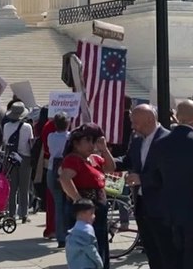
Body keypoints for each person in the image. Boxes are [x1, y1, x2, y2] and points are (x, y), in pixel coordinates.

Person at [147, 101, 193, 269]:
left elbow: (154, 178)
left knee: (173, 261)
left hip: (168, 212)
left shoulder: (160, 143)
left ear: (177, 118)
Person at [117, 105, 168, 269]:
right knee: (151, 252)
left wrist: (142, 179)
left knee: (166, 253)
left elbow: (171, 174)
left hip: (163, 208)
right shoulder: (137, 140)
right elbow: (127, 161)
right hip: (142, 205)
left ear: (149, 120)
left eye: (135, 123)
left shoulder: (168, 140)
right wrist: (105, 156)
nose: (132, 126)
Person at [59, 124, 116, 269]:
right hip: (84, 211)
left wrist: (104, 149)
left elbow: (111, 167)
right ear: (76, 143)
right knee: (88, 250)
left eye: (93, 140)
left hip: (98, 209)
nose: (92, 144)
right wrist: (78, 199)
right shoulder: (73, 159)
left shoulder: (94, 159)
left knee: (100, 245)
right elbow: (65, 179)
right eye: (88, 140)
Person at [0, 102, 34, 223]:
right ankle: (24, 214)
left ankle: (11, 213)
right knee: (24, 188)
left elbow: (5, 142)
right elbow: (30, 143)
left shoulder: (6, 126)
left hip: (10, 158)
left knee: (12, 188)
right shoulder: (27, 127)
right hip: (25, 158)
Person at [43, 113, 71, 246]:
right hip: (66, 170)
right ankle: (66, 233)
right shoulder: (70, 137)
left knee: (58, 205)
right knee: (67, 204)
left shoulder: (50, 136)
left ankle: (60, 236)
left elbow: (48, 149)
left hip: (51, 170)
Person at [65, 199, 103, 269]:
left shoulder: (72, 233)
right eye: (91, 213)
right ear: (82, 214)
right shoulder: (88, 230)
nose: (94, 216)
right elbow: (91, 250)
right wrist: (99, 263)